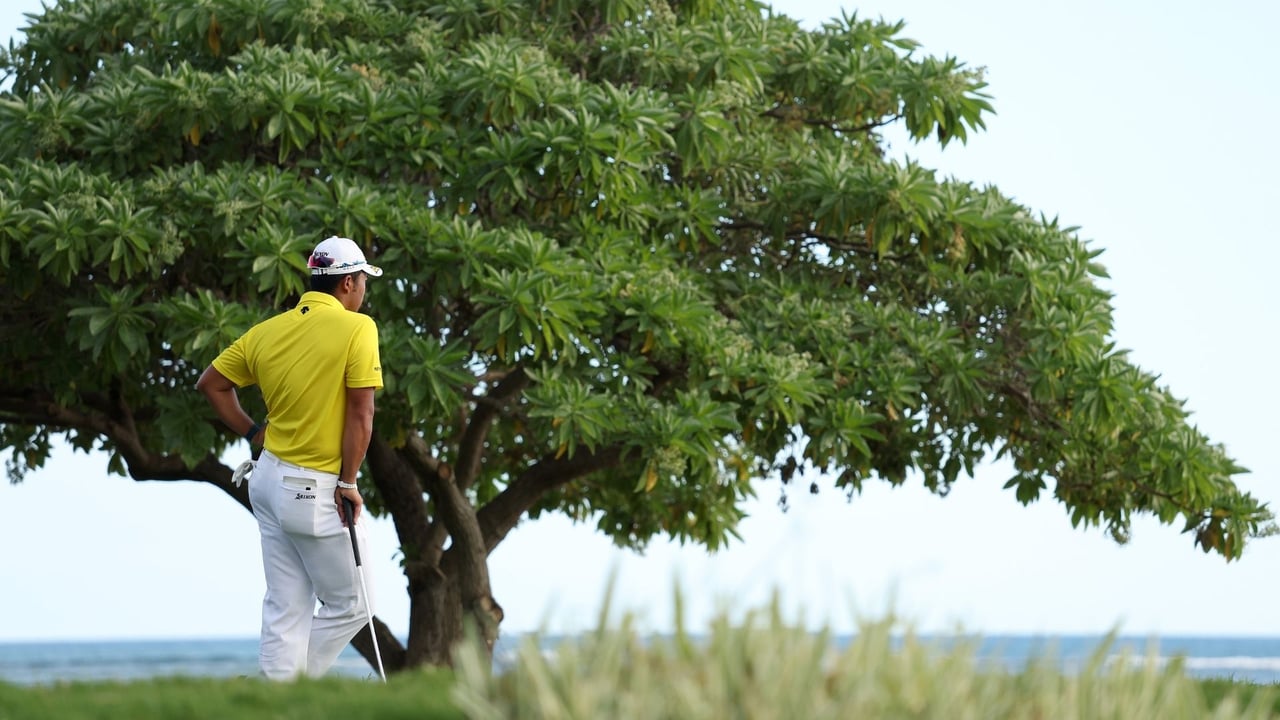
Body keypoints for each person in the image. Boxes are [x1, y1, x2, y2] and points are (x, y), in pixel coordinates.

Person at [196, 235, 384, 680]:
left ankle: (273, 695)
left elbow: (211, 384)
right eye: (363, 280)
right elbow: (362, 413)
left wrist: (253, 432)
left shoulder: (267, 330)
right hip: (315, 489)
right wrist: (348, 482)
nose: (363, 289)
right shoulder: (358, 328)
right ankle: (280, 688)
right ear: (348, 283)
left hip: (266, 481)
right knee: (356, 604)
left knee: (286, 606)